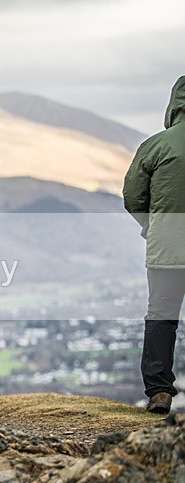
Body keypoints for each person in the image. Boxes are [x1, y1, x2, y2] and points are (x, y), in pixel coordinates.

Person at [123, 76, 185, 415]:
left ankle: (160, 392)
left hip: (167, 249)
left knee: (162, 316)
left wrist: (154, 225)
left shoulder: (156, 145)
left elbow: (133, 196)